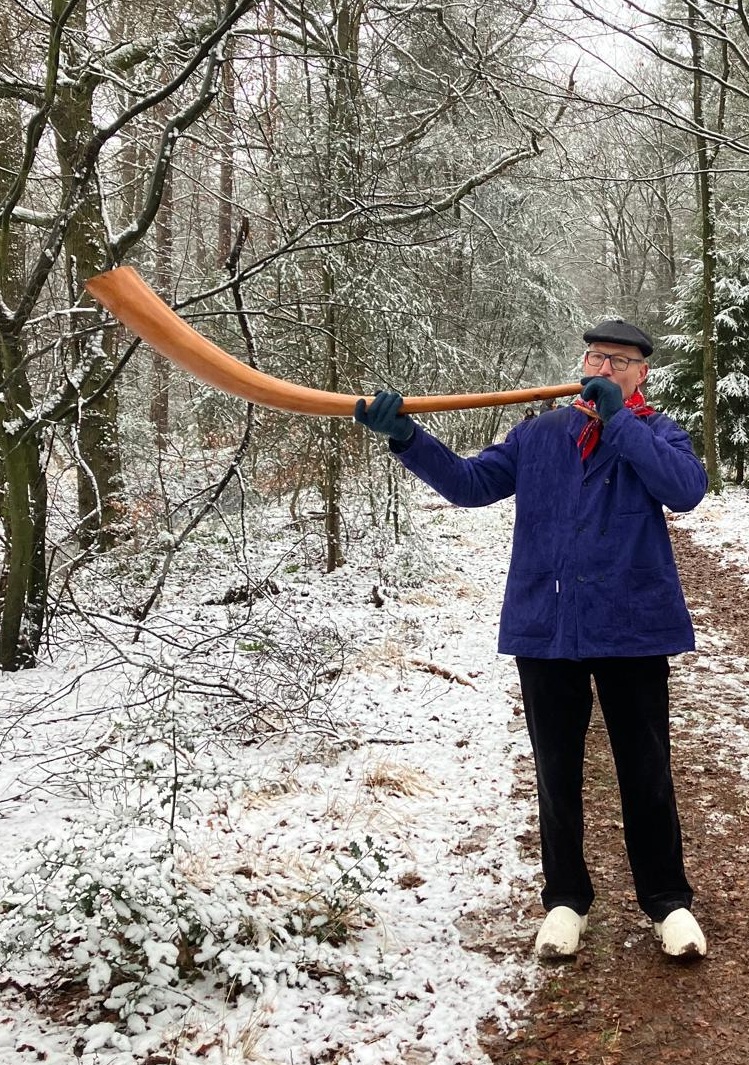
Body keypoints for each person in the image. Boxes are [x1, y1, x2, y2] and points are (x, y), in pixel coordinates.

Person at [355, 319, 708, 961]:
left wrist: (620, 424)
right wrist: (408, 437)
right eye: (595, 356)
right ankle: (565, 900)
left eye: (619, 361)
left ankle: (668, 903)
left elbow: (685, 491)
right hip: (547, 628)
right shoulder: (540, 433)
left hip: (632, 628)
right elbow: (469, 485)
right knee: (557, 771)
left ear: (640, 374)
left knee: (647, 769)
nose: (603, 367)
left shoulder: (656, 432)